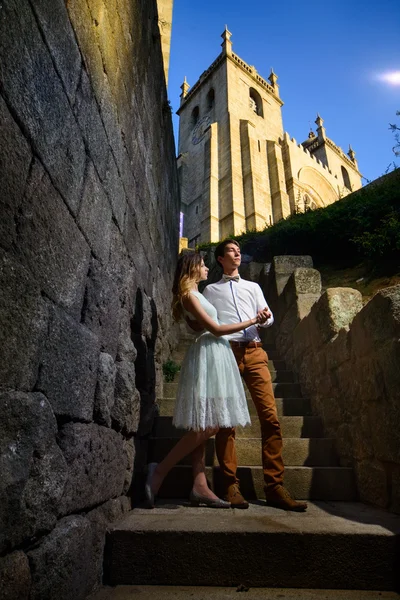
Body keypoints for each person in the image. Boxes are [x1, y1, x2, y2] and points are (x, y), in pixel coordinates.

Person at [145, 251, 267, 509]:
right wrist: (254, 320)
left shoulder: (194, 295)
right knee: (210, 425)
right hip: (211, 352)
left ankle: (199, 484)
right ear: (192, 267)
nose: (206, 269)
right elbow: (217, 329)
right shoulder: (189, 295)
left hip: (214, 351)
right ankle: (160, 470)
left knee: (202, 421)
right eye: (202, 265)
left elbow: (197, 326)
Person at [203, 239, 308, 512]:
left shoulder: (253, 286)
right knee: (227, 422)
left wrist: (264, 317)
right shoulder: (210, 291)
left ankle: (274, 487)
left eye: (239, 249)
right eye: (231, 250)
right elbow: (207, 323)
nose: (237, 252)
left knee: (270, 418)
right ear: (220, 259)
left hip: (256, 352)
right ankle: (230, 485)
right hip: (227, 354)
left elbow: (270, 317)